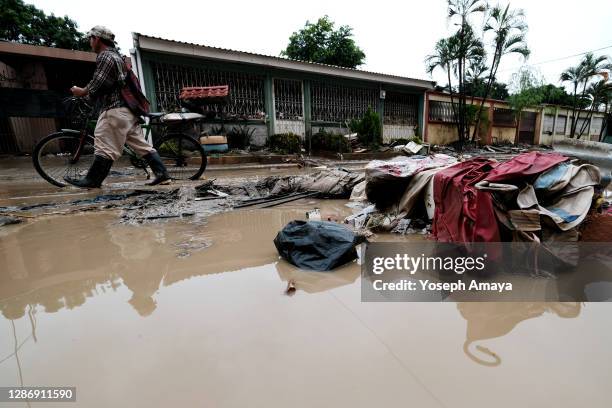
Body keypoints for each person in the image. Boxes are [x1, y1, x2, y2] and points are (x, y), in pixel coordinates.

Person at [65, 25, 170, 188]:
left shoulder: (105, 56)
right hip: (128, 111)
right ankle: (163, 174)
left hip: (115, 110)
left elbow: (98, 82)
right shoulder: (117, 57)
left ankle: (92, 180)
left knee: (104, 144)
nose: (90, 43)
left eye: (90, 39)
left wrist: (82, 91)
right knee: (142, 146)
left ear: (97, 39)